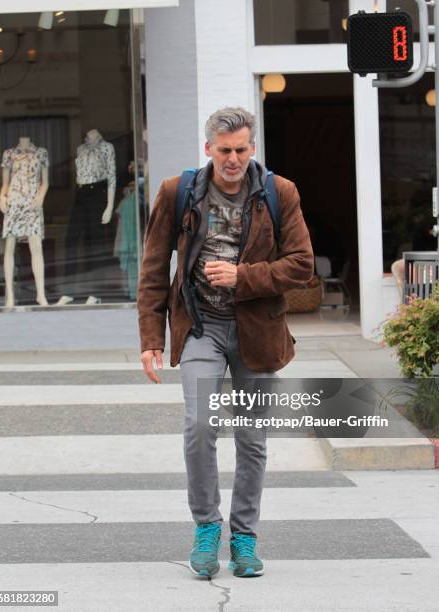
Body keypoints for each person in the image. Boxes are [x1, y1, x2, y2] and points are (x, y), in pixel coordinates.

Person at [137, 107, 313, 578]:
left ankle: (245, 537)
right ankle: (206, 526)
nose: (233, 159)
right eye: (224, 151)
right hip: (201, 327)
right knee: (199, 426)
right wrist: (152, 336)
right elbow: (154, 268)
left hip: (258, 330)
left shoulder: (279, 194)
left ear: (252, 148)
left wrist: (242, 276)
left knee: (252, 438)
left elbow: (301, 265)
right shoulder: (179, 192)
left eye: (241, 150)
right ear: (208, 149)